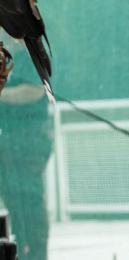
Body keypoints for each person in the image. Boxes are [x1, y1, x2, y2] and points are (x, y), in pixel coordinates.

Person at [0, 31, 52, 260]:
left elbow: (33, 91)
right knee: (13, 199)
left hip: (29, 140)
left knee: (29, 199)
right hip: (9, 143)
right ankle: (21, 247)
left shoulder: (31, 54)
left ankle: (35, 251)